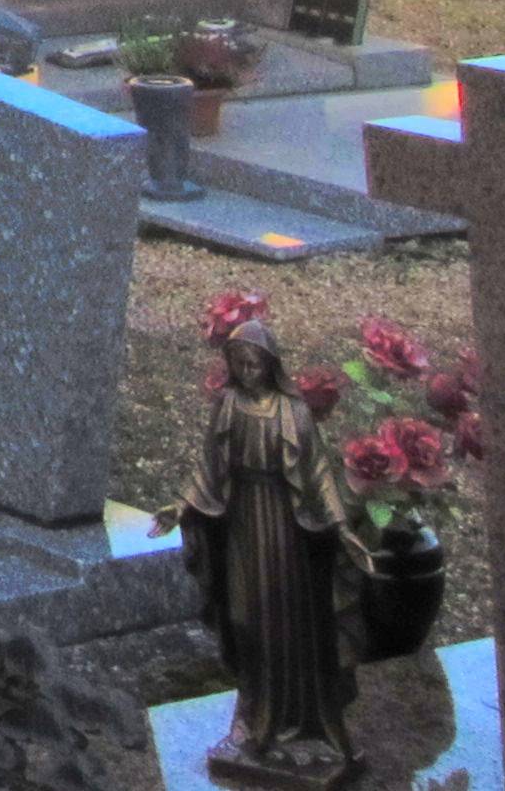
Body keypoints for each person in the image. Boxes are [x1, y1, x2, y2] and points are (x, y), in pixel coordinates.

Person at [156, 327, 359, 783]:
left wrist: (342, 527)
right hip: (242, 525)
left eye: (255, 364)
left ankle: (293, 727)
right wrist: (181, 506)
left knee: (283, 625)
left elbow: (318, 472)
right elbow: (210, 467)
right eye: (240, 364)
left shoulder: (293, 411)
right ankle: (251, 720)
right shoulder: (228, 405)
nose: (247, 372)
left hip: (285, 530)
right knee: (244, 618)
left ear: (270, 364)